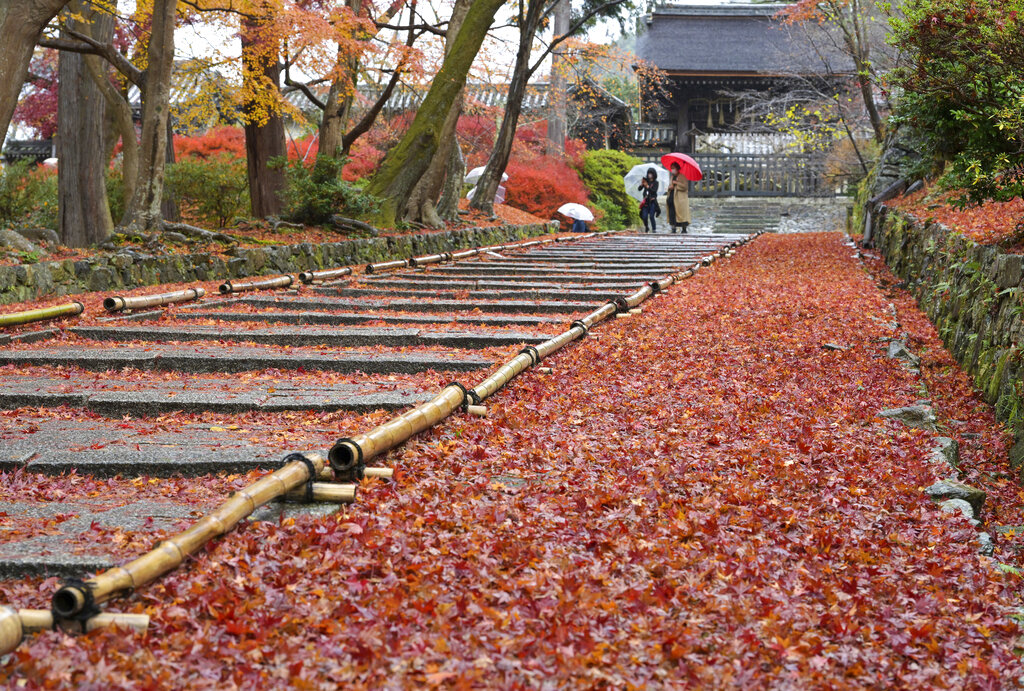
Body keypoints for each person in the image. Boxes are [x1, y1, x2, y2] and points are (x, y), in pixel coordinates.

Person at [666, 162, 690, 233]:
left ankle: (684, 228)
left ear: (677, 168)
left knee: (681, 213)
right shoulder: (672, 177)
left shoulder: (682, 176)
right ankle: (673, 227)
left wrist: (677, 183)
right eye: (671, 168)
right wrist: (670, 187)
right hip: (672, 197)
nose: (672, 170)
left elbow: (685, 187)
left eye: (673, 168)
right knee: (672, 212)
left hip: (680, 199)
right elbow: (670, 186)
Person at [638, 167, 661, 233]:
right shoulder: (646, 181)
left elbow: (654, 191)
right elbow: (639, 189)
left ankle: (654, 229)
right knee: (644, 216)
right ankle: (646, 227)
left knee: (651, 216)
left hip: (652, 202)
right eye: (648, 173)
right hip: (645, 202)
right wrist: (642, 184)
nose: (649, 175)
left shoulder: (656, 182)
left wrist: (648, 186)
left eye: (651, 173)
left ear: (654, 174)